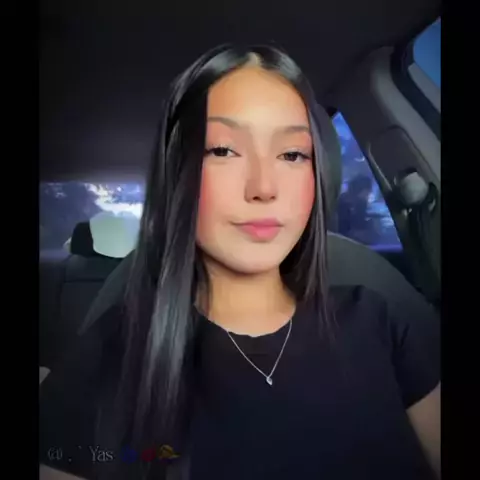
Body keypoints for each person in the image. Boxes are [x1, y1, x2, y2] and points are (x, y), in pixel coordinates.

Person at [39, 45, 440, 480]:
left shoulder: (381, 321)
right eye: (223, 150)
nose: (264, 187)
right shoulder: (106, 357)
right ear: (177, 175)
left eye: (292, 154)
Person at [336, 174, 378, 244]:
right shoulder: (347, 203)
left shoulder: (359, 202)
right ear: (363, 190)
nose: (369, 194)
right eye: (368, 191)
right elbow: (345, 230)